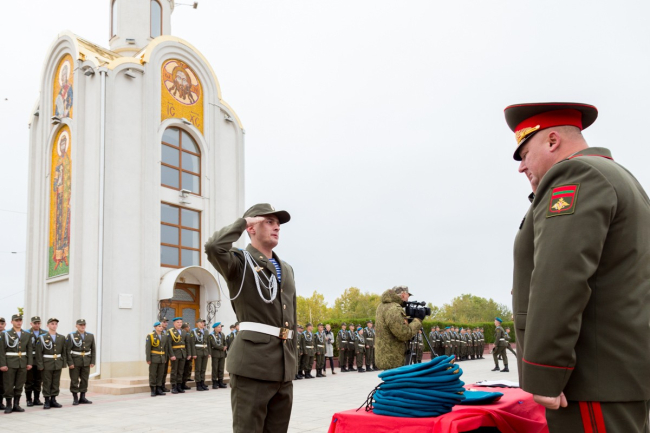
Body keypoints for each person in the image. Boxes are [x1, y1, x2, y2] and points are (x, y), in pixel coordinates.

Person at [506, 102, 650, 432]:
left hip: (588, 380)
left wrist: (545, 372)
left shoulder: (576, 176)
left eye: (525, 154)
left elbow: (560, 280)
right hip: (615, 374)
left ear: (552, 141)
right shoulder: (617, 177)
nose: (521, 167)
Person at [204, 203, 297, 433]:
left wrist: (291, 363)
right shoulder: (239, 262)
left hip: (282, 366)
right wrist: (243, 222)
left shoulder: (286, 269)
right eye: (269, 222)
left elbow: (291, 316)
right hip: (253, 364)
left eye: (278, 224)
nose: (277, 227)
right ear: (252, 228)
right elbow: (214, 247)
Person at [375, 286, 423, 370]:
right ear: (403, 294)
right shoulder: (394, 308)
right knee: (396, 378)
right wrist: (417, 321)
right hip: (394, 358)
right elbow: (404, 334)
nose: (408, 299)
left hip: (386, 356)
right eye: (408, 296)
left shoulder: (382, 306)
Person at [0, 315, 33, 413]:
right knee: (8, 385)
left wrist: (29, 362)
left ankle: (16, 404)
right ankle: (8, 405)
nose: (19, 322)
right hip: (10, 362)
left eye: (20, 321)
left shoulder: (26, 334)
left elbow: (29, 349)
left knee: (19, 384)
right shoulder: (5, 334)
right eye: (16, 321)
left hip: (22, 362)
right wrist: (2, 364)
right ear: (12, 322)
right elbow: (2, 350)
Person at [36, 318, 67, 409]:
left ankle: (53, 399)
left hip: (57, 362)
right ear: (47, 325)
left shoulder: (61, 337)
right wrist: (40, 365)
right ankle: (46, 400)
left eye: (55, 324)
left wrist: (63, 363)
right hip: (47, 363)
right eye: (52, 324)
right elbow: (39, 353)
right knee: (47, 382)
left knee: (56, 382)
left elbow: (63, 352)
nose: (54, 325)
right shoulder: (42, 338)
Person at [66, 319, 96, 405]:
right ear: (76, 326)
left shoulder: (90, 336)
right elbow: (67, 350)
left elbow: (93, 349)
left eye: (84, 325)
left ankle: (82, 397)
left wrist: (92, 361)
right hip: (75, 361)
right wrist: (70, 362)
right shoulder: (71, 335)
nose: (82, 326)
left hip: (86, 361)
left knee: (84, 379)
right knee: (74, 380)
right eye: (80, 325)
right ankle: (75, 398)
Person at [167, 317, 191, 394]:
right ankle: (174, 386)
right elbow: (169, 344)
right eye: (178, 322)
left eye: (180, 322)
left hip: (183, 353)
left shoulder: (183, 331)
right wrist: (171, 355)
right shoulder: (170, 331)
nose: (179, 324)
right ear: (174, 323)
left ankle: (179, 386)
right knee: (174, 371)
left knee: (181, 371)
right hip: (175, 353)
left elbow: (187, 343)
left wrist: (188, 353)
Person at [145, 321, 168, 397]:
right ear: (155, 327)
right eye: (159, 326)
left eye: (161, 326)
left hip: (162, 357)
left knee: (160, 374)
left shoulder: (164, 336)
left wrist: (165, 357)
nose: (161, 328)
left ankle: (158, 388)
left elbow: (165, 348)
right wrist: (148, 358)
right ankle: (153, 389)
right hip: (154, 357)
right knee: (153, 374)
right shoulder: (150, 336)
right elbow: (148, 348)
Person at [25, 316, 44, 407]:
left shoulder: (44, 333)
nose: (37, 325)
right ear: (31, 323)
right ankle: (29, 399)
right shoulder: (26, 333)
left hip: (40, 360)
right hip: (30, 359)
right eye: (35, 323)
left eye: (38, 323)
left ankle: (37, 399)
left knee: (38, 381)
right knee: (29, 381)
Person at [191, 318, 209, 391]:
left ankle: (202, 382)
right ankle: (198, 384)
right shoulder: (194, 331)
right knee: (198, 369)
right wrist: (194, 353)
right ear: (197, 323)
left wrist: (209, 352)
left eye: (203, 323)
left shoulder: (206, 331)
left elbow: (208, 342)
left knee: (203, 368)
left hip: (205, 351)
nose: (202, 324)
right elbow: (192, 343)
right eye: (201, 322)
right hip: (198, 351)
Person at [208, 322, 228, 389]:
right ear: (215, 328)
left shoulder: (222, 334)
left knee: (221, 368)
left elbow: (225, 342)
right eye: (219, 327)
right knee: (215, 369)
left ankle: (220, 382)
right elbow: (213, 344)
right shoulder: (211, 335)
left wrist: (225, 346)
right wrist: (222, 347)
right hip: (215, 353)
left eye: (221, 327)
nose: (220, 328)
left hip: (222, 354)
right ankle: (214, 382)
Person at [181, 322, 194, 390]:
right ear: (184, 328)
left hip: (189, 354)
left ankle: (184, 383)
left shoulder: (189, 334)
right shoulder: (183, 334)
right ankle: (180, 384)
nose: (189, 328)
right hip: (183, 354)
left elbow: (191, 344)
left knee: (187, 369)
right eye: (187, 327)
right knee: (182, 370)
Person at [160, 318, 171, 392]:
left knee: (164, 371)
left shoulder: (168, 332)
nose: (166, 324)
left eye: (166, 322)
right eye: (164, 322)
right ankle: (158, 386)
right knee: (159, 372)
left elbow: (169, 344)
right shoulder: (157, 332)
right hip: (159, 354)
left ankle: (163, 385)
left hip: (166, 354)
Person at [0, 317, 4, 411]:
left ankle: (0, 402)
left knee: (2, 384)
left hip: (4, 363)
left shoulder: (7, 335)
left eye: (2, 323)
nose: (0, 325)